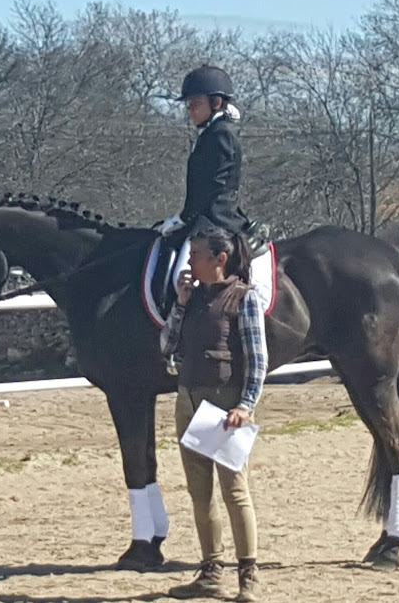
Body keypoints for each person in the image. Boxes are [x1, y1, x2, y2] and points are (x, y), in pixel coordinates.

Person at [160, 225, 268, 602]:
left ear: (219, 260)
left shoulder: (244, 299)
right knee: (199, 493)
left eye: (195, 255)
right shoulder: (191, 299)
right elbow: (166, 345)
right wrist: (180, 303)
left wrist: (246, 404)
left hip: (225, 404)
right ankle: (210, 569)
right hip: (189, 399)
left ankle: (248, 574)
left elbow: (258, 359)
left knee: (234, 490)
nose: (189, 261)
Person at [157, 65, 251, 282]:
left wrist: (182, 218)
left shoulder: (221, 135)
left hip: (216, 220)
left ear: (216, 103)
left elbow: (213, 186)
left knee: (179, 276)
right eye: (188, 105)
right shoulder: (211, 133)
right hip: (203, 219)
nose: (190, 110)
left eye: (196, 103)